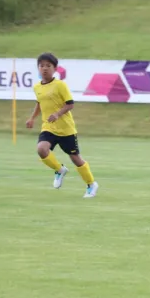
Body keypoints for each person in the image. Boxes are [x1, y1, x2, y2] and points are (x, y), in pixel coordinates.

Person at [26, 53, 99, 198]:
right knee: (41, 149)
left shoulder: (60, 85)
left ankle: (91, 184)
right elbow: (39, 103)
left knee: (76, 159)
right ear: (38, 68)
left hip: (66, 129)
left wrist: (57, 114)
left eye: (48, 66)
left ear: (55, 68)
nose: (44, 69)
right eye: (41, 66)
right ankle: (59, 170)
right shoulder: (37, 87)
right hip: (49, 127)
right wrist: (32, 118)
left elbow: (70, 104)